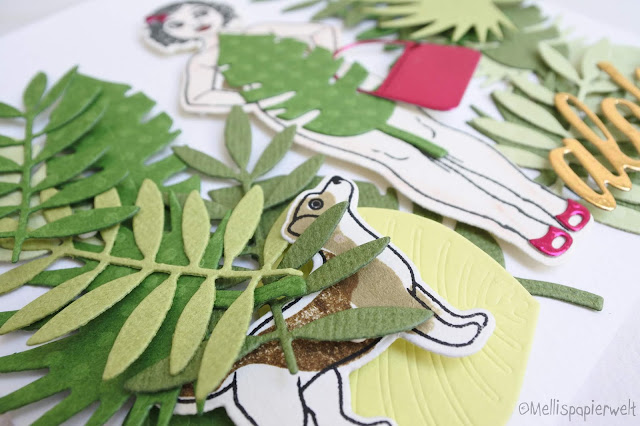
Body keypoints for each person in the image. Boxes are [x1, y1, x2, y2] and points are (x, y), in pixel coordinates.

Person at [143, 1, 592, 264]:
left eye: (196, 11)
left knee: (443, 138)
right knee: (402, 163)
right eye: (179, 25)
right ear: (173, 39)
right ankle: (523, 224)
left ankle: (548, 203)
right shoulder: (204, 61)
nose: (195, 22)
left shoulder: (263, 28)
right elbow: (199, 97)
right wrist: (256, 99)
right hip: (311, 116)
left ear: (214, 9)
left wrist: (324, 66)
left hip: (351, 88)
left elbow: (321, 32)